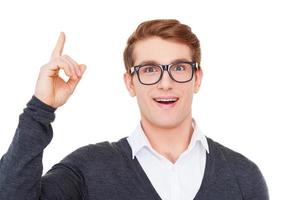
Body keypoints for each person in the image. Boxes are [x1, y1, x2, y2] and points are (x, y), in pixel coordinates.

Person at [0, 19, 269, 200]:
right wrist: (40, 108)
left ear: (197, 78)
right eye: (150, 69)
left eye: (179, 68)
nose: (166, 83)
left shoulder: (243, 176)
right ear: (130, 83)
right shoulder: (87, 170)